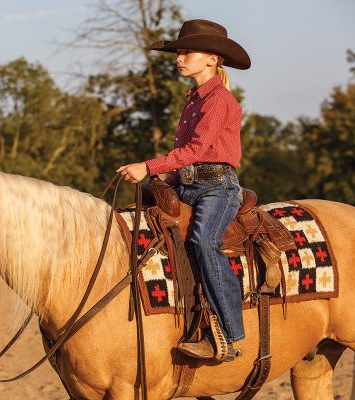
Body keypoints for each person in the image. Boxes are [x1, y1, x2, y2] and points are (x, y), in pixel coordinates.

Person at [116, 19, 251, 360]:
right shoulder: (194, 99)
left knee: (204, 242)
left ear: (212, 59)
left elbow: (197, 151)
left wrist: (148, 167)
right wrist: (163, 182)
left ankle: (230, 335)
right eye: (178, 52)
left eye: (187, 52)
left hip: (216, 188)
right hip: (188, 184)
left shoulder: (218, 100)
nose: (179, 58)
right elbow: (186, 160)